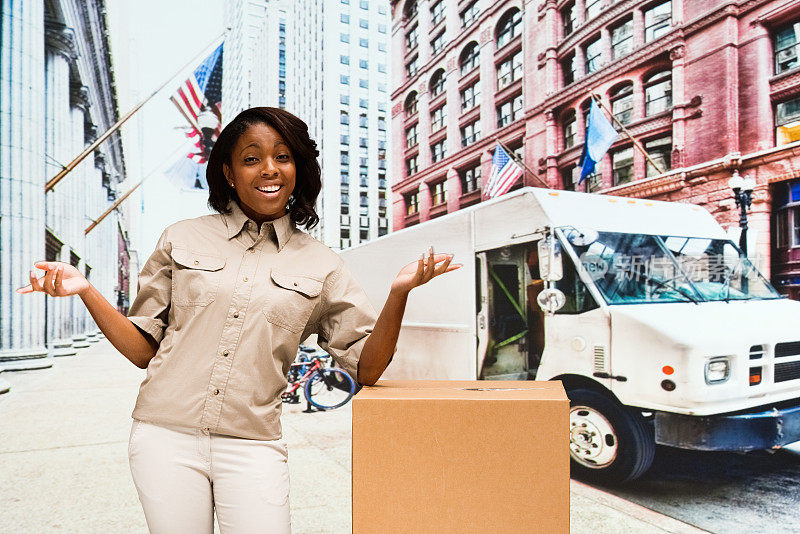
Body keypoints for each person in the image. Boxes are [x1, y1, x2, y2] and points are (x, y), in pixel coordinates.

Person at [17, 107, 461, 533]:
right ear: (229, 173)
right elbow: (142, 349)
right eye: (252, 159)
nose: (269, 168)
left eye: (282, 157)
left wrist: (398, 294)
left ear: (297, 170)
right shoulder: (181, 237)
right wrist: (87, 291)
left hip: (254, 446)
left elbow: (366, 367)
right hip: (163, 439)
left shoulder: (324, 264)